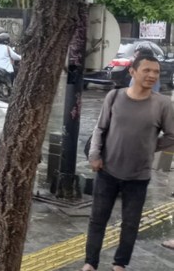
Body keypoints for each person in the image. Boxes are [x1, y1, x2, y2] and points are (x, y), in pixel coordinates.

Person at [81, 54, 174, 271]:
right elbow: (100, 128)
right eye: (147, 70)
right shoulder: (114, 97)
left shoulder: (162, 104)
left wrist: (150, 146)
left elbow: (171, 135)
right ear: (132, 72)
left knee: (130, 224)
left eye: (156, 72)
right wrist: (94, 155)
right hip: (107, 171)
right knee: (97, 220)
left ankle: (120, 263)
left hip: (138, 176)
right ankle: (90, 262)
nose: (152, 75)